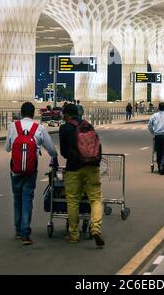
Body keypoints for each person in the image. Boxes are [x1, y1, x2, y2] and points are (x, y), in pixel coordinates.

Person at [6, 101, 58, 245]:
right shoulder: (39, 128)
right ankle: (25, 234)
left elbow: (7, 148)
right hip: (30, 170)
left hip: (15, 170)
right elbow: (52, 150)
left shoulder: (13, 126)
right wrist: (54, 155)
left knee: (17, 199)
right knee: (27, 199)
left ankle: (18, 230)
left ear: (21, 113)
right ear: (33, 113)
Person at [59, 103, 104, 246]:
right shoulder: (87, 125)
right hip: (92, 166)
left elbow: (64, 152)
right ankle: (95, 228)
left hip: (74, 168)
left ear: (66, 115)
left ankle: (74, 234)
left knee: (73, 200)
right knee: (96, 199)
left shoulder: (65, 128)